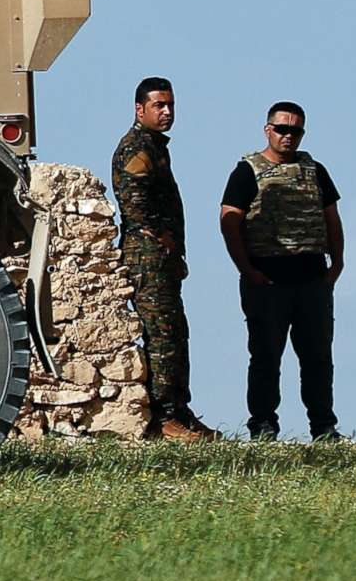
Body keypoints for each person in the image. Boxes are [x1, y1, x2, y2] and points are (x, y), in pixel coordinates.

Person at [220, 102, 343, 440]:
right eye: (282, 129)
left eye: (296, 130)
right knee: (265, 357)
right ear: (267, 130)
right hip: (267, 281)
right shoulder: (247, 171)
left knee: (318, 359)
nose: (288, 136)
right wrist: (247, 270)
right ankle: (262, 425)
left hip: (312, 280)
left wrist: (337, 264)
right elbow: (229, 220)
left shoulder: (314, 170)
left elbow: (331, 217)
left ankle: (324, 427)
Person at [111, 76, 214, 439]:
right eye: (159, 105)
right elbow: (134, 204)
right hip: (147, 257)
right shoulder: (136, 148)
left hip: (163, 256)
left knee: (176, 334)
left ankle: (179, 411)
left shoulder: (155, 147)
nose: (167, 112)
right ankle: (163, 418)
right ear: (140, 109)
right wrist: (164, 240)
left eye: (170, 105)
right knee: (161, 336)